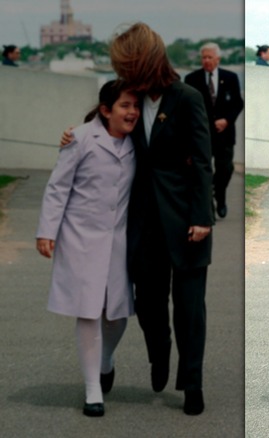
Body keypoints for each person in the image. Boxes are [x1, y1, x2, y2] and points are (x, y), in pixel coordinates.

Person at [110, 23, 214, 416]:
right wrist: (74, 137)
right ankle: (160, 353)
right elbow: (101, 126)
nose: (123, 73)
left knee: (190, 310)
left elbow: (204, 161)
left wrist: (203, 216)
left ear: (145, 61)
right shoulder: (128, 98)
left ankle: (192, 383)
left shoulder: (187, 97)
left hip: (188, 222)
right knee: (149, 304)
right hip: (142, 223)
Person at [37, 80, 139, 417]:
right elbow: (57, 188)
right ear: (107, 109)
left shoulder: (137, 142)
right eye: (125, 105)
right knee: (88, 311)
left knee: (118, 314)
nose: (133, 112)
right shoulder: (80, 139)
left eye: (136, 106)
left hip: (119, 241)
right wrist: (46, 231)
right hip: (80, 239)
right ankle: (93, 389)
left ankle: (106, 359)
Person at [185, 42, 245, 219]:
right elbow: (188, 107)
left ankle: (220, 196)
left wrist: (226, 120)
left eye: (209, 57)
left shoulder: (231, 77)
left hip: (225, 134)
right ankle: (208, 204)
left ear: (218, 59)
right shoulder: (191, 79)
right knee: (203, 170)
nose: (206, 60)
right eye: (203, 57)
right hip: (202, 135)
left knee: (225, 169)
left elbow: (237, 103)